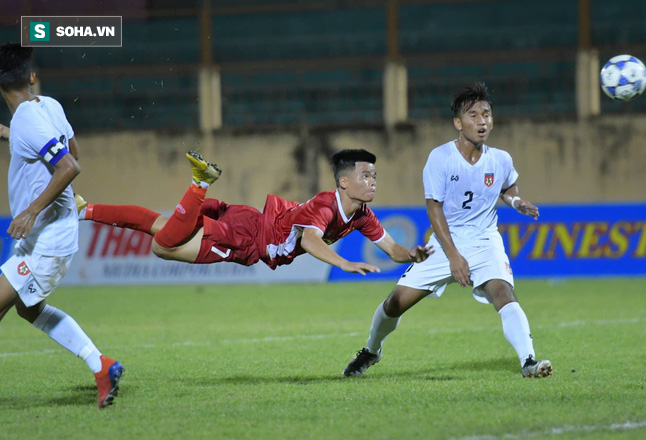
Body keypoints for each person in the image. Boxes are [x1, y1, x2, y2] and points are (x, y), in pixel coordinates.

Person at [343, 82, 552, 379]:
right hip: (444, 245)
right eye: (474, 115)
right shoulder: (440, 158)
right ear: (458, 123)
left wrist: (516, 201)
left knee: (504, 293)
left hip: (484, 242)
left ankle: (528, 361)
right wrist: (454, 257)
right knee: (395, 303)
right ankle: (371, 351)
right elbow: (434, 209)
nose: (482, 121)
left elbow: (508, 186)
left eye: (487, 114)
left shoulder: (500, 159)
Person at [0, 43, 124, 409]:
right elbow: (72, 147)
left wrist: (31, 210)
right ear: (32, 78)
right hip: (48, 235)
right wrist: (10, 135)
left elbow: (69, 165)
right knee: (27, 309)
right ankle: (100, 365)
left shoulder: (27, 119)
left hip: (46, 237)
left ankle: (102, 365)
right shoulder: (48, 105)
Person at [76, 148, 433, 275]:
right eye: (365, 175)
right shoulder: (327, 204)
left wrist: (412, 255)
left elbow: (391, 249)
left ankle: (85, 209)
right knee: (163, 244)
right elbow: (310, 239)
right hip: (248, 239)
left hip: (249, 219)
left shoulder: (362, 216)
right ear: (343, 182)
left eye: (374, 175)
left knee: (160, 228)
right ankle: (200, 183)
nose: (373, 181)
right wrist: (343, 263)